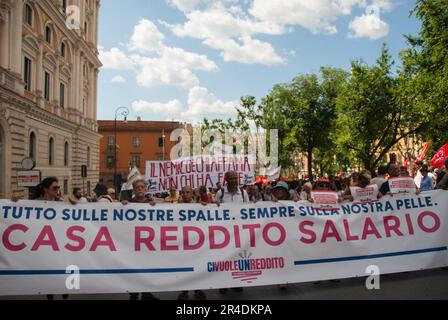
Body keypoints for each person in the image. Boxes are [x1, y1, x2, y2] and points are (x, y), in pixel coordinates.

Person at [121, 179, 158, 300]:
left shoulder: (152, 203)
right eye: (137, 187)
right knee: (134, 269)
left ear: (146, 189)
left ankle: (146, 293)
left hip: (148, 245)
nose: (140, 189)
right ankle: (134, 294)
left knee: (147, 269)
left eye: (142, 187)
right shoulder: (128, 203)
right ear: (134, 190)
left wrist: (155, 206)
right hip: (132, 244)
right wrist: (122, 206)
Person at [215, 171, 248, 294]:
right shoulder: (220, 193)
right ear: (226, 180)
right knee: (223, 259)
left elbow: (248, 210)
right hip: (224, 234)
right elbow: (214, 211)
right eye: (232, 178)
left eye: (236, 178)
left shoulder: (244, 194)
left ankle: (236, 282)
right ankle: (223, 283)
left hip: (239, 233)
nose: (234, 180)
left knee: (237, 259)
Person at [177, 186, 207, 300]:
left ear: (192, 194)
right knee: (185, 267)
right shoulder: (175, 207)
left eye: (188, 192)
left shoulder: (199, 206)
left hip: (196, 242)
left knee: (197, 266)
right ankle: (184, 291)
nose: (185, 194)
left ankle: (198, 289)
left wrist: (210, 206)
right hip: (183, 243)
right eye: (183, 192)